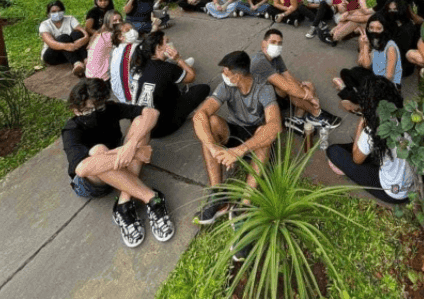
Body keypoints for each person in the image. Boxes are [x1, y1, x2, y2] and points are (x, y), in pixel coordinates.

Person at [62, 78, 174, 247]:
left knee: (140, 123)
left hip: (119, 162)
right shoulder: (71, 129)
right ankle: (150, 197)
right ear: (75, 110)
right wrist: (135, 152)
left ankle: (124, 202)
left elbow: (152, 113)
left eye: (99, 107)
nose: (95, 113)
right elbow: (82, 169)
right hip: (91, 183)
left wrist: (131, 145)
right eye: (87, 111)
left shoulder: (110, 108)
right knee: (98, 151)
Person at [192, 51, 282, 242]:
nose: (223, 75)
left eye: (226, 72)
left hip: (255, 139)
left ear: (238, 76)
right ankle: (218, 197)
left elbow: (275, 126)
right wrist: (214, 148)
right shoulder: (226, 86)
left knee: (264, 133)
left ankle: (245, 206)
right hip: (234, 131)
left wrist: (239, 151)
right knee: (211, 123)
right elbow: (200, 115)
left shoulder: (264, 88)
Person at [326, 76, 414, 203]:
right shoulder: (406, 115)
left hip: (393, 192)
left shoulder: (373, 129)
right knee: (370, 148)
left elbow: (356, 159)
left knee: (333, 151)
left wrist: (360, 124)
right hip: (411, 182)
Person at [250, 29, 342, 134]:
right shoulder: (259, 61)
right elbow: (286, 86)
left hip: (272, 94)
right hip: (262, 104)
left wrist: (302, 86)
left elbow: (288, 75)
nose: (276, 46)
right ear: (263, 43)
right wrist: (310, 97)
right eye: (273, 42)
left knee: (306, 85)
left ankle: (298, 119)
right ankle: (316, 113)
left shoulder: (275, 57)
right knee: (289, 89)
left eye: (279, 43)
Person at [131, 31, 210, 138]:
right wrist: (178, 59)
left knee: (165, 86)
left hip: (139, 125)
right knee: (203, 89)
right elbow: (191, 76)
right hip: (160, 128)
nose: (170, 44)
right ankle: (187, 112)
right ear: (159, 48)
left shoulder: (139, 65)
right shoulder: (167, 68)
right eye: (167, 42)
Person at [39, 0, 89, 77]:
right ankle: (77, 63)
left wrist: (85, 38)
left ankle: (86, 60)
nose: (57, 13)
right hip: (53, 55)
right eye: (53, 12)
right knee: (63, 37)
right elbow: (50, 42)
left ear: (63, 11)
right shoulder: (45, 24)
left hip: (71, 51)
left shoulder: (70, 19)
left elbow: (82, 31)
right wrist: (67, 46)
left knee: (77, 33)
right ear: (48, 14)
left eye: (59, 11)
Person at [358, 13, 403, 90]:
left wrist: (372, 85)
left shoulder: (390, 47)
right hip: (376, 77)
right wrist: (364, 45)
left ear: (384, 29)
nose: (374, 31)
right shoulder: (374, 41)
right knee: (350, 73)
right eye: (371, 28)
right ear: (367, 28)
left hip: (388, 85)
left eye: (378, 28)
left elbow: (389, 76)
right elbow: (366, 65)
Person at [381, 0, 420, 78]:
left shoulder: (408, 28)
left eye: (395, 9)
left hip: (402, 67)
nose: (392, 12)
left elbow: (401, 51)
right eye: (390, 9)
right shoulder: (391, 23)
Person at [85, 9, 123, 81]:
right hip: (102, 80)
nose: (118, 22)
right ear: (108, 23)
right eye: (115, 21)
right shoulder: (110, 36)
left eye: (120, 20)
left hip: (91, 77)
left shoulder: (101, 35)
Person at [110, 22, 140, 103]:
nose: (132, 32)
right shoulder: (133, 48)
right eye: (127, 30)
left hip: (120, 95)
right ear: (120, 37)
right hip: (130, 97)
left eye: (132, 29)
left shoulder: (116, 50)